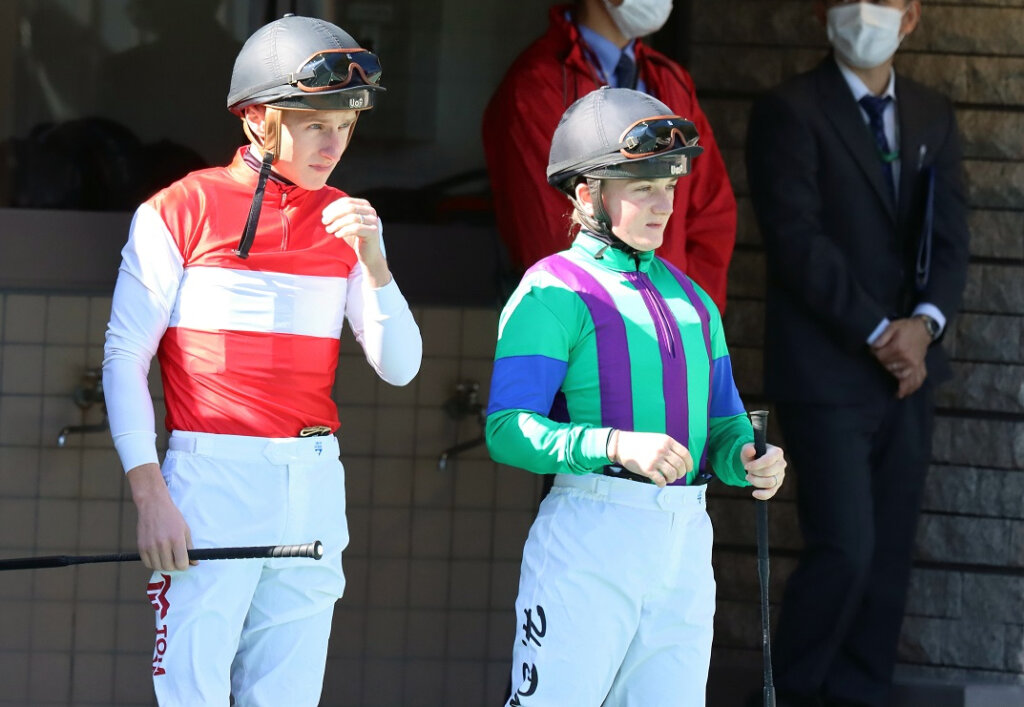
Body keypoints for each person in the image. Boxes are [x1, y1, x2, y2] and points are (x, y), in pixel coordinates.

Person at [102, 15, 421, 705]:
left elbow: (400, 366)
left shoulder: (350, 219)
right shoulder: (176, 209)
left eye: (345, 123)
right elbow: (124, 356)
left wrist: (376, 264)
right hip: (210, 478)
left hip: (312, 479)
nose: (334, 142)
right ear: (256, 118)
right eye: (315, 123)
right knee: (193, 694)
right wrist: (149, 493)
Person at [486, 86, 787, 706]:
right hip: (589, 534)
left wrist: (750, 459)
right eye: (641, 187)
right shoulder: (551, 291)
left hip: (684, 540)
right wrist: (615, 445)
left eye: (669, 186)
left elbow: (726, 423)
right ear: (587, 194)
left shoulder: (696, 300)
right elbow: (507, 428)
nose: (663, 206)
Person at [745, 2, 970, 705]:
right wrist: (882, 332)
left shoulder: (933, 113)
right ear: (820, 14)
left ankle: (860, 693)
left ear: (911, 19)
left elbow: (953, 234)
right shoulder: (788, 110)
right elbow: (797, 240)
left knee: (890, 554)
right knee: (845, 548)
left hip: (910, 373)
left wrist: (923, 327)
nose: (863, 12)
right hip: (827, 370)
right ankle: (790, 693)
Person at [482, 0, 736, 312]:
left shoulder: (671, 82)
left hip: (672, 325)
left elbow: (711, 215)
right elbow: (551, 230)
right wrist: (623, 329)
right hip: (585, 327)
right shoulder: (535, 86)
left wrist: (692, 315)